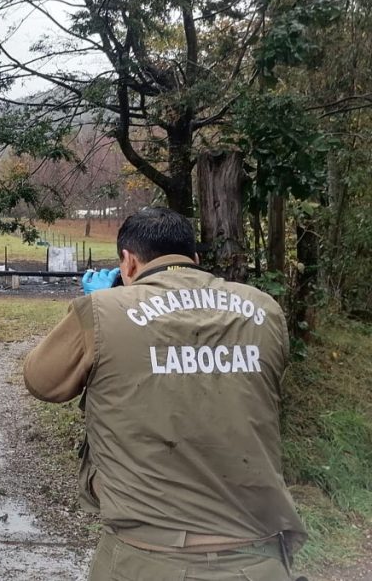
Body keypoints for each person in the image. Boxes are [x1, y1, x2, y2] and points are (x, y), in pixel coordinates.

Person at [24, 207, 306, 581]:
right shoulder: (264, 309)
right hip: (260, 557)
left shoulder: (104, 310)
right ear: (196, 259)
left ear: (127, 262)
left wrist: (104, 310)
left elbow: (41, 380)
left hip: (145, 559)